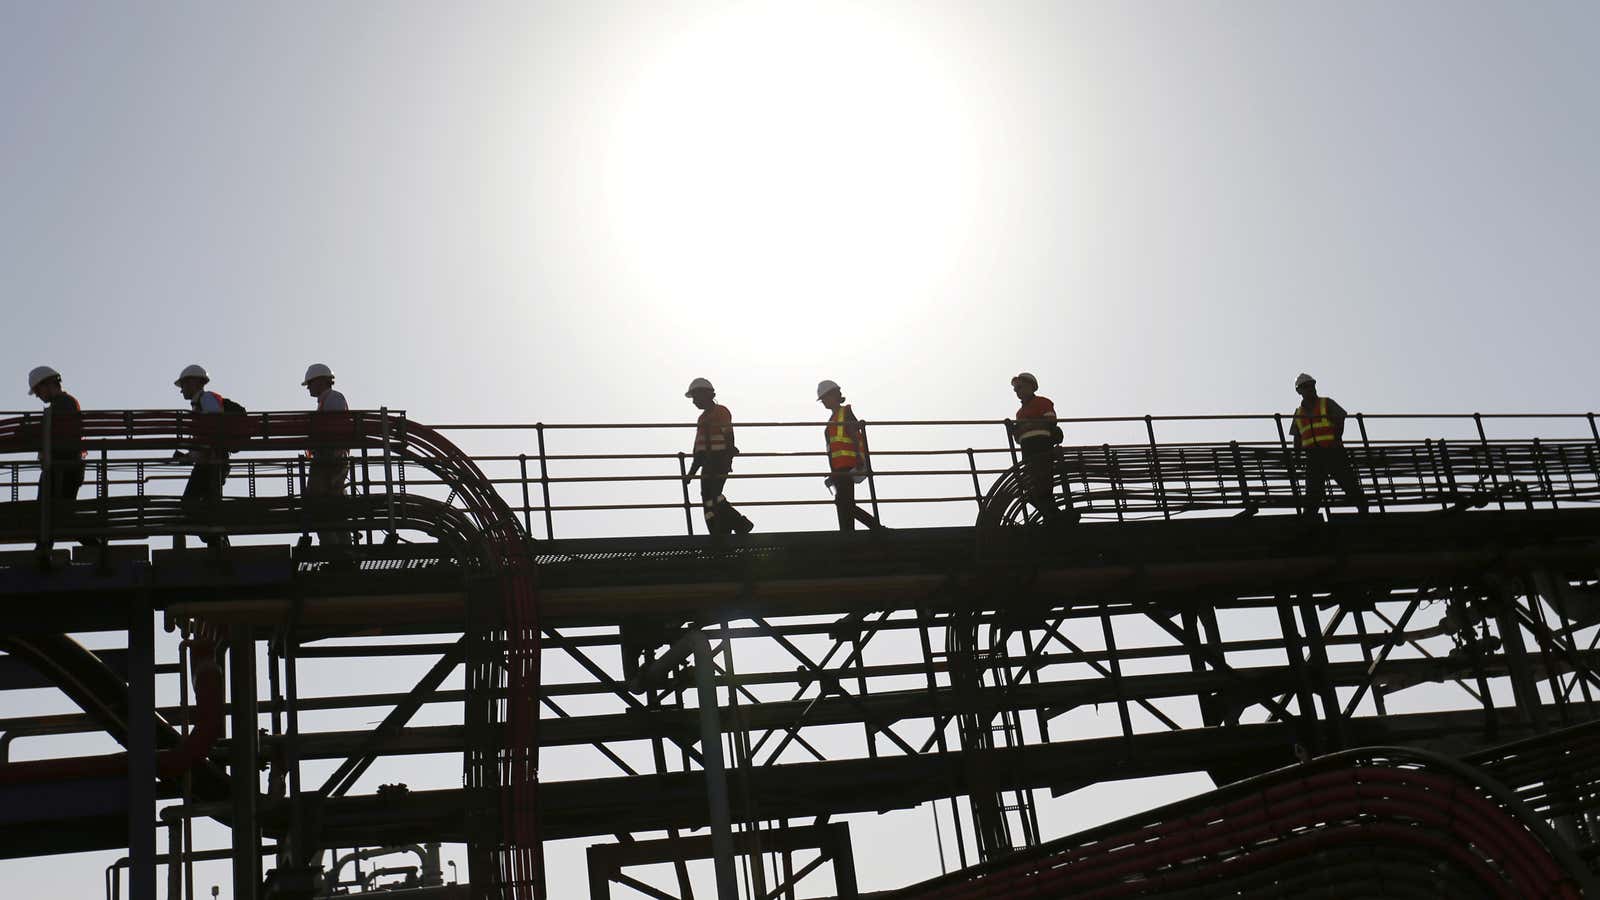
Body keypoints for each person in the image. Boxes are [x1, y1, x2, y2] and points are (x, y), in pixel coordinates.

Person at [26, 365, 104, 562]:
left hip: (62, 468)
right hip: (66, 467)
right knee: (59, 512)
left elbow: (60, 439)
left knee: (53, 511)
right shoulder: (65, 403)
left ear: (49, 384)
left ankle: (43, 551)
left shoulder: (63, 404)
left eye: (37, 391)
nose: (37, 396)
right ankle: (44, 549)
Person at [681, 378, 754, 538]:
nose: (694, 401)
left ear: (707, 394)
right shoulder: (701, 419)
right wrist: (691, 473)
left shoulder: (720, 411)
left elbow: (729, 435)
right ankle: (720, 530)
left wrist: (728, 457)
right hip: (706, 462)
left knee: (712, 495)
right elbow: (699, 450)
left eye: (696, 396)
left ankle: (739, 523)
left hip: (719, 459)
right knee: (708, 499)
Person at [1290, 373, 1368, 520]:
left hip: (1333, 451)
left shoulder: (1326, 403)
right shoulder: (1298, 413)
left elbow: (1340, 418)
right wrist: (1298, 456)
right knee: (1313, 491)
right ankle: (1309, 518)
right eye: (1306, 387)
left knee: (1348, 482)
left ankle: (1363, 509)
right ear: (1299, 391)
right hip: (1313, 456)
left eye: (1312, 385)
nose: (1310, 389)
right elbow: (1297, 436)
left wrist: (1337, 438)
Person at [174, 363, 231, 547]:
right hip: (210, 462)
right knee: (206, 507)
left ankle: (216, 539)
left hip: (212, 464)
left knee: (189, 504)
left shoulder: (206, 400)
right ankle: (216, 541)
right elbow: (205, 441)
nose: (181, 390)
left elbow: (215, 427)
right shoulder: (200, 405)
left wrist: (197, 453)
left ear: (194, 382)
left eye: (183, 385)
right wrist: (188, 457)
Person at [816, 380, 884, 532]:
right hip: (838, 469)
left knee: (843, 503)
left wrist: (859, 458)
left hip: (848, 465)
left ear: (834, 395)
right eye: (823, 400)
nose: (824, 402)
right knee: (843, 503)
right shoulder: (831, 420)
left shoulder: (845, 412)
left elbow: (854, 435)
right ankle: (847, 533)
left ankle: (875, 527)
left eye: (826, 398)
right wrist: (832, 473)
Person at [1009, 372, 1071, 523]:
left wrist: (1025, 426)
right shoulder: (1019, 413)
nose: (1017, 391)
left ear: (1031, 386)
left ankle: (1054, 517)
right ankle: (1053, 516)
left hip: (1041, 446)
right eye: (1015, 389)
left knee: (1044, 484)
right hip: (1027, 449)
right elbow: (1018, 438)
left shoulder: (1043, 402)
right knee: (1031, 487)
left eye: (1020, 387)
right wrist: (1015, 430)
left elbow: (1050, 421)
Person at [302, 363, 353, 547]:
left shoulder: (334, 398)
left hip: (331, 459)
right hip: (329, 458)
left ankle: (336, 549)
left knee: (320, 504)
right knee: (331, 505)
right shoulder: (328, 400)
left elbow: (334, 428)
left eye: (310, 383)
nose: (308, 387)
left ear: (322, 381)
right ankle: (340, 548)